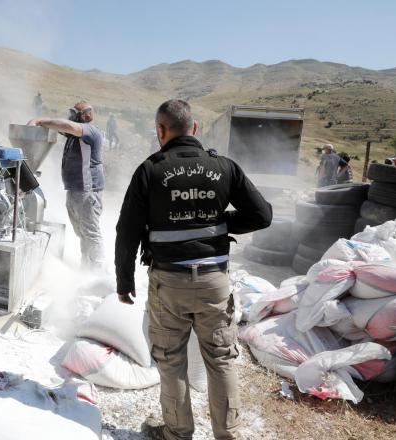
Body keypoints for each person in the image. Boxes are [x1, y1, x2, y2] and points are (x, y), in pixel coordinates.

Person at [115, 99, 272, 440]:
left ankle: (177, 433)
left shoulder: (149, 170)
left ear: (160, 130)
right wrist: (220, 222)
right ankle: (228, 434)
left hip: (168, 283)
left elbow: (127, 231)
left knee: (170, 360)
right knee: (221, 359)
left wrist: (124, 282)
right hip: (214, 282)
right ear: (195, 128)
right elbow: (262, 215)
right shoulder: (224, 167)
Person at [28, 101, 105, 268]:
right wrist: (41, 122)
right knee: (83, 233)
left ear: (84, 116)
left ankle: (97, 271)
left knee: (90, 233)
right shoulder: (75, 135)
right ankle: (87, 267)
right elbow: (60, 127)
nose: (70, 116)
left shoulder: (90, 131)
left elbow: (67, 125)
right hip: (76, 190)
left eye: (73, 113)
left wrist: (39, 121)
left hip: (87, 190)